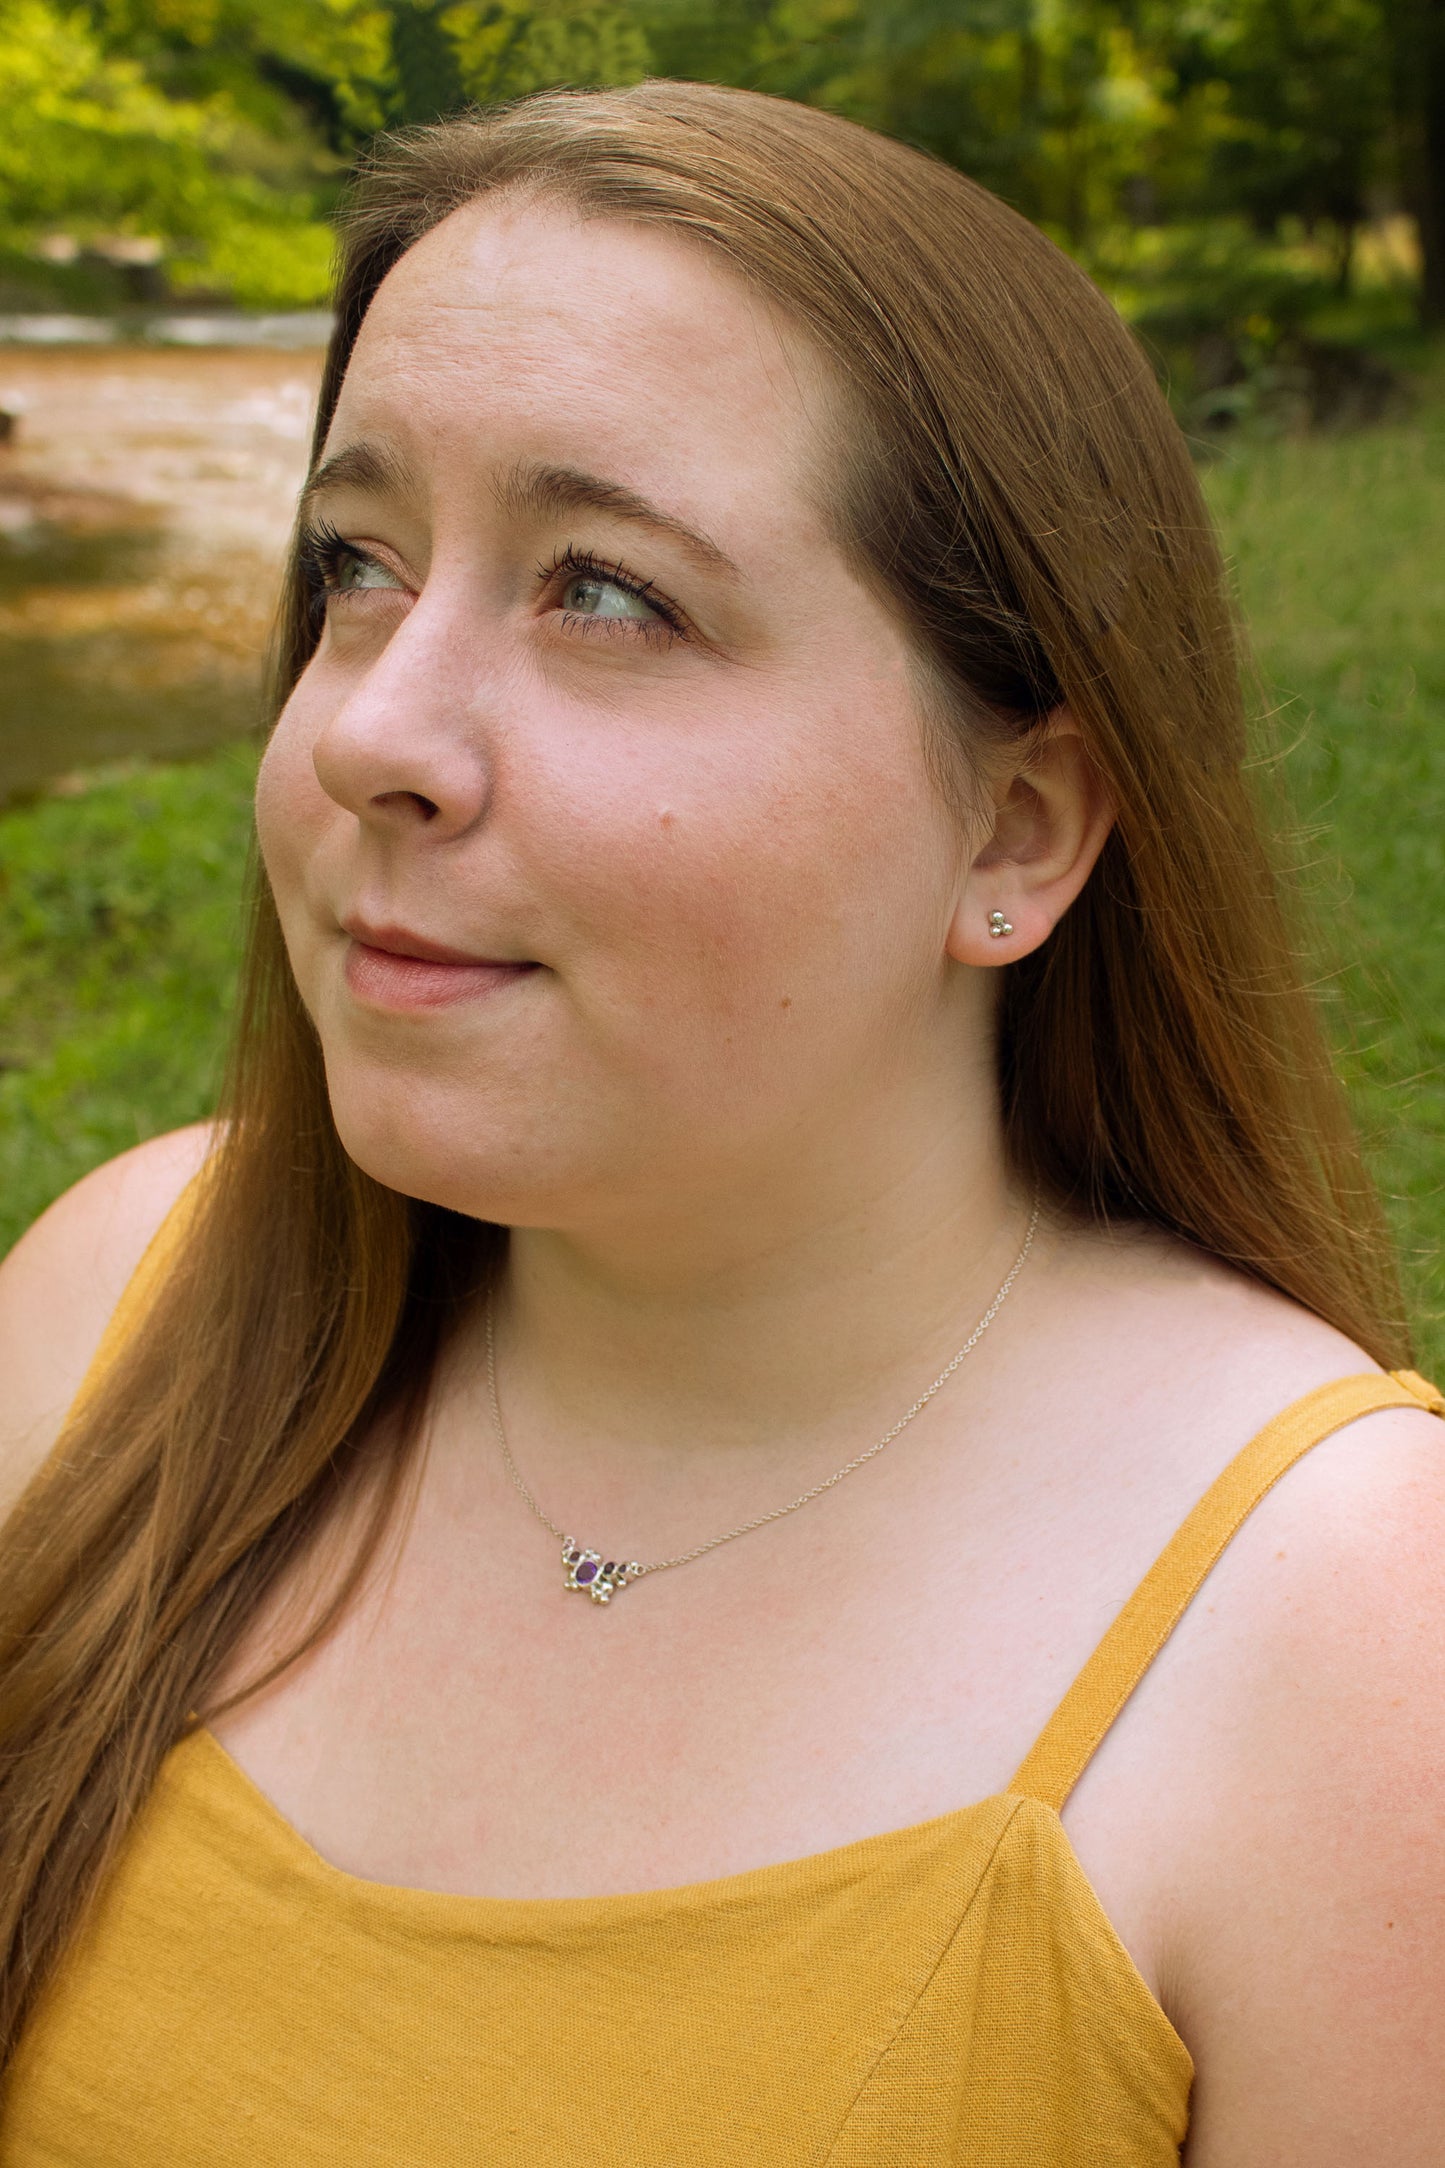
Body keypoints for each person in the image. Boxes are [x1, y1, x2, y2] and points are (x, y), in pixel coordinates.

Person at [0, 79, 1440, 2165]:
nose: (371, 726)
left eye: (606, 594)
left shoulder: (1344, 1635)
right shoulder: (124, 1301)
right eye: (359, 562)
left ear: (1013, 831)